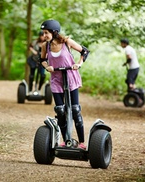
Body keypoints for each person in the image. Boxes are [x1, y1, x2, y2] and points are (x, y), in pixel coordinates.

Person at [39, 20, 90, 149]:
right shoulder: (46, 46)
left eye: (46, 33)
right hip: (56, 79)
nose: (44, 35)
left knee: (75, 109)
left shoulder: (66, 42)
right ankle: (65, 140)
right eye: (44, 33)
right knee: (60, 110)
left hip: (70, 77)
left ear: (54, 32)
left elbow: (84, 51)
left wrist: (79, 64)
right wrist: (47, 66)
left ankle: (82, 142)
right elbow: (42, 60)